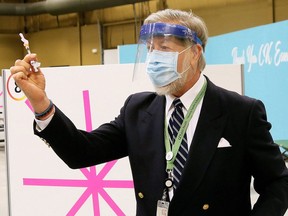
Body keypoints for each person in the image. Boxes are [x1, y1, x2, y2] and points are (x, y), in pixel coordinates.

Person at [10, 9, 288, 216]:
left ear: (195, 53)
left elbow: (277, 181)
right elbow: (81, 151)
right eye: (151, 49)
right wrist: (42, 105)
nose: (154, 58)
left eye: (164, 48)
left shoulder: (241, 111)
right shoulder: (138, 109)